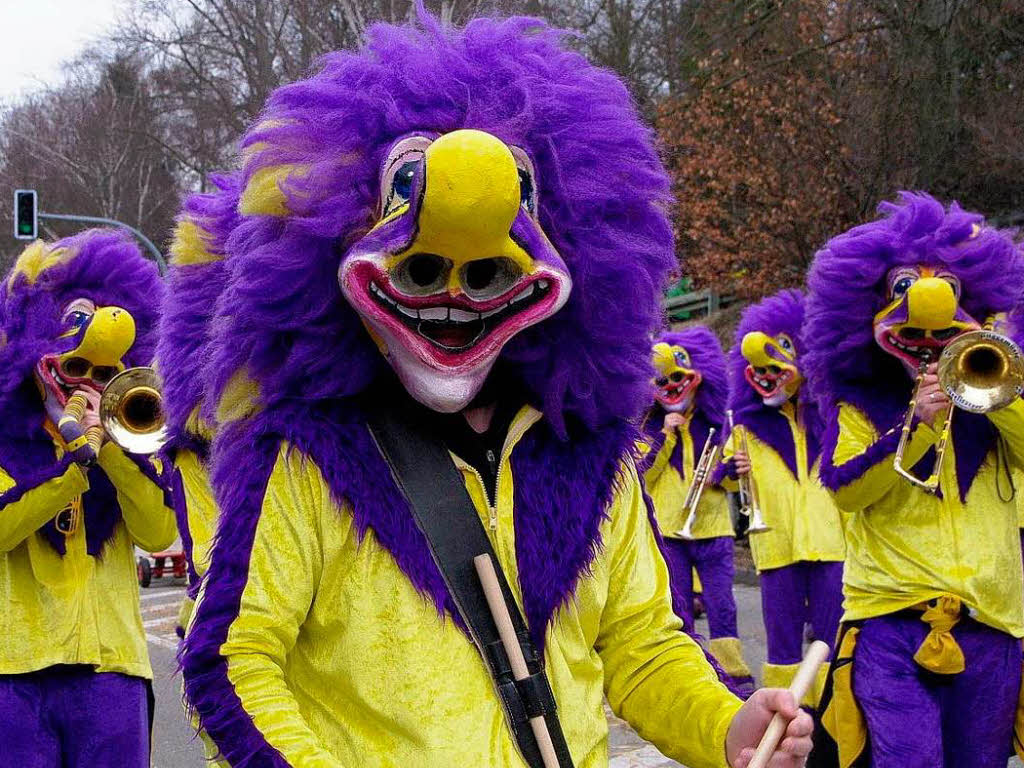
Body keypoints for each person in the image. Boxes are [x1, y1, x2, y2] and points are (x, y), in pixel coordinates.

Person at [177, 12, 812, 768]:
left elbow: (641, 645)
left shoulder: (589, 454)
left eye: (486, 275)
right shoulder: (307, 457)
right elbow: (229, 661)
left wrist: (726, 727)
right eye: (420, 269)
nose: (455, 296)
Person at [804, 192, 1024, 768]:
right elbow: (847, 489)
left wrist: (991, 388)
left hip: (992, 623)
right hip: (889, 623)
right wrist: (916, 428)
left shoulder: (1001, 394)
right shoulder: (858, 402)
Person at [0, 230, 175, 766]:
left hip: (112, 671)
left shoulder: (130, 447)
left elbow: (159, 532)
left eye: (105, 374)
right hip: (15, 669)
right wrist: (71, 466)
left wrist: (115, 453)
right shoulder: (6, 441)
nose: (91, 384)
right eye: (78, 369)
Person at [721, 289, 846, 704]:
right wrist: (730, 471)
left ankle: (833, 718)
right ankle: (787, 716)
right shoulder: (745, 427)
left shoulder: (831, 416)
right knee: (783, 643)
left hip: (832, 547)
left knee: (833, 638)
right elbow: (721, 478)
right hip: (775, 546)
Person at [640, 327, 754, 691]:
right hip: (669, 530)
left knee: (723, 606)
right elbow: (642, 475)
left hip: (714, 526)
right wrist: (664, 435)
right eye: (663, 380)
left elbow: (735, 482)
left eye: (678, 377)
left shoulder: (719, 425)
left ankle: (733, 676)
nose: (671, 385)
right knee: (678, 608)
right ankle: (692, 681)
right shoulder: (647, 428)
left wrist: (729, 473)